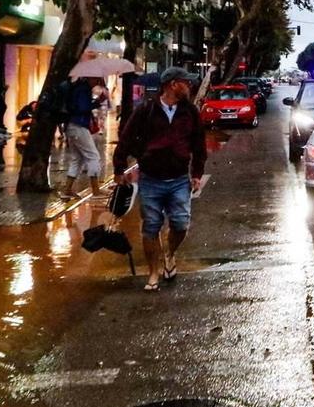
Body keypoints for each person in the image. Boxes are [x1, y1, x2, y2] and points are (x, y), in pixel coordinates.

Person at [112, 66, 207, 291]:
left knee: (180, 224)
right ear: (173, 84)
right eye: (186, 82)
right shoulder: (147, 109)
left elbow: (199, 144)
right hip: (151, 179)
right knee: (151, 227)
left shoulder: (190, 112)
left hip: (179, 179)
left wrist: (196, 174)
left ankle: (169, 253)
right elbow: (126, 138)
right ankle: (153, 273)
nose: (190, 85)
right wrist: (119, 168)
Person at [59, 75, 106, 196]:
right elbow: (82, 108)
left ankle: (67, 189)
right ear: (89, 78)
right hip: (78, 126)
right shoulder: (83, 90)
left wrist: (95, 102)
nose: (96, 82)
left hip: (72, 126)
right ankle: (96, 189)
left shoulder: (78, 88)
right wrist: (96, 103)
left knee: (77, 158)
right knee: (93, 156)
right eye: (95, 79)